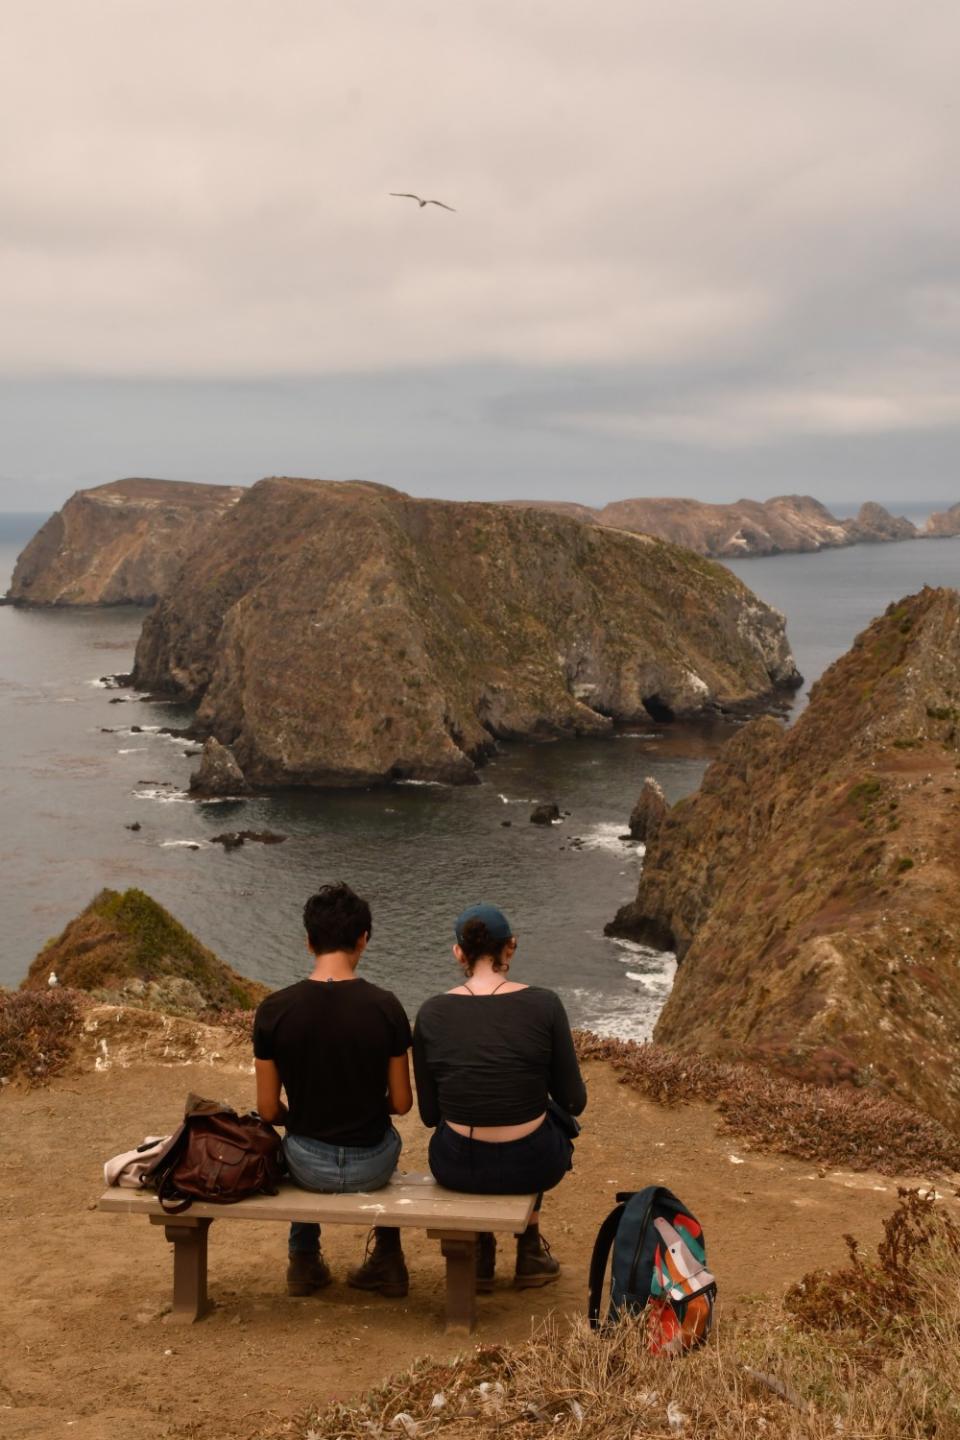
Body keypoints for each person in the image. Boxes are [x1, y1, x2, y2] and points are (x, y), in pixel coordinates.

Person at [412, 902, 587, 1291]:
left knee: (478, 1116)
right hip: (534, 1164)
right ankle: (529, 1250)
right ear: (511, 947)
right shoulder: (545, 1004)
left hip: (457, 1164)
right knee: (548, 1116)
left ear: (459, 952)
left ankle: (481, 1251)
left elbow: (428, 1115)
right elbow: (574, 1102)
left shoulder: (432, 1012)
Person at [253, 881, 414, 1298]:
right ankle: (388, 1258)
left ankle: (303, 1260)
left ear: (308, 942)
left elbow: (268, 1110)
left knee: (296, 1137)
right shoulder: (386, 1007)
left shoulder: (274, 1010)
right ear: (364, 939)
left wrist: (301, 1115)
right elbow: (400, 1103)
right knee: (386, 1135)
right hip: (374, 1165)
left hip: (307, 1163)